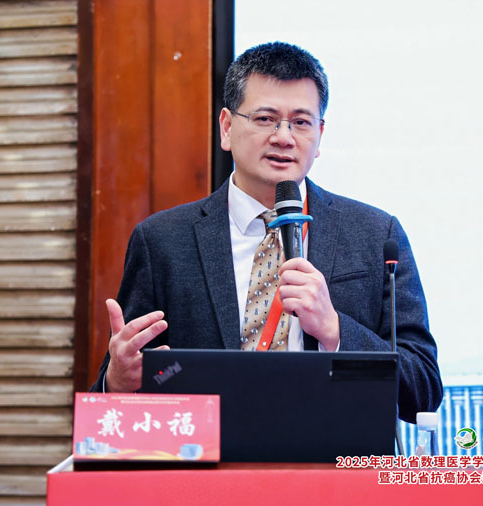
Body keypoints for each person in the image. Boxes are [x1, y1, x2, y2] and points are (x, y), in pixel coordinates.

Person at [90, 41, 442, 423]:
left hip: (335, 457)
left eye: (301, 122)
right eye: (265, 119)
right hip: (209, 458)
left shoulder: (375, 235)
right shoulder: (162, 242)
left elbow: (423, 391)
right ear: (227, 127)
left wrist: (335, 330)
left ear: (320, 135)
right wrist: (117, 382)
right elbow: (117, 408)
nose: (284, 137)